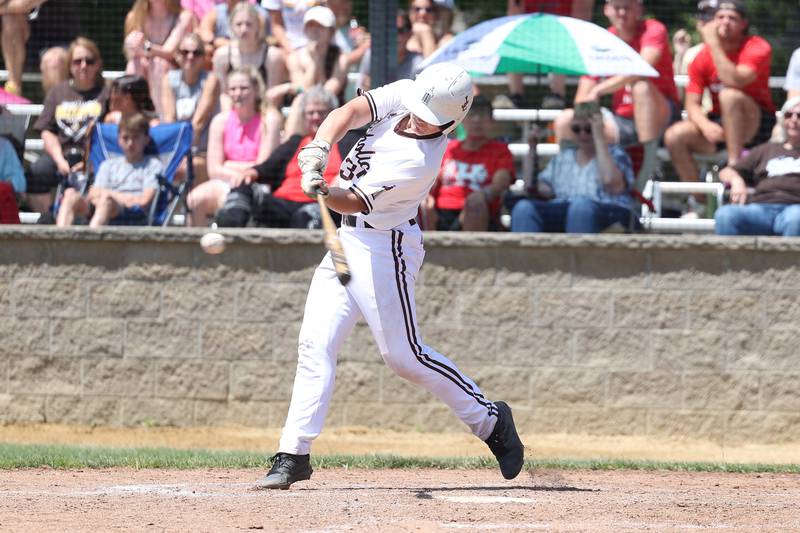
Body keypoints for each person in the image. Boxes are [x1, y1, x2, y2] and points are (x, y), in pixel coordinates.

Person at [255, 62, 524, 490]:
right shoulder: (408, 92)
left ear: (451, 120)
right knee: (315, 344)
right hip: (345, 242)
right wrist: (320, 149)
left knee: (404, 356)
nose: (416, 116)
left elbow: (353, 202)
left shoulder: (419, 162)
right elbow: (349, 112)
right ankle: (294, 453)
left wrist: (322, 190)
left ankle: (490, 419)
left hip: (386, 248)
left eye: (428, 115)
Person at [664, 0, 775, 186]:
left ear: (743, 24)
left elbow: (735, 80)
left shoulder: (757, 46)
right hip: (720, 124)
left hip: (757, 125)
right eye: (720, 17)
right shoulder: (701, 57)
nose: (725, 22)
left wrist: (713, 44)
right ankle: (698, 203)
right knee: (674, 135)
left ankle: (734, 166)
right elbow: (692, 103)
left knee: (729, 95)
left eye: (732, 18)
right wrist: (705, 125)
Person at [216, 86, 355, 227]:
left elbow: (358, 168)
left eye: (321, 112)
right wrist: (251, 172)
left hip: (320, 203)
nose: (315, 117)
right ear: (304, 116)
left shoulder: (347, 142)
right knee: (243, 186)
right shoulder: (295, 142)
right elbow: (268, 167)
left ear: (331, 115)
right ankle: (228, 236)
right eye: (310, 113)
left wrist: (342, 178)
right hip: (282, 204)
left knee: (306, 217)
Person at [554, 0, 679, 159]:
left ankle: (648, 167)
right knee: (565, 120)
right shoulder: (603, 39)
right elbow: (583, 93)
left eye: (627, 7)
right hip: (620, 120)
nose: (621, 13)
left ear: (639, 9)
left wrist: (599, 89)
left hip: (661, 116)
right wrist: (585, 115)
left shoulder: (654, 29)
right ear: (607, 10)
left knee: (640, 87)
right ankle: (571, 174)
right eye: (617, 7)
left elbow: (642, 68)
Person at [511, 103, 634, 233]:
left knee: (580, 208)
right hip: (564, 209)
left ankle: (578, 254)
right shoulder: (563, 157)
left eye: (588, 129)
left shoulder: (616, 154)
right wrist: (532, 150)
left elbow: (611, 182)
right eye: (576, 129)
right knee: (523, 208)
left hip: (610, 212)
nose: (582, 135)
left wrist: (599, 138)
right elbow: (534, 188)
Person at [29, 37, 110, 215]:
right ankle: (47, 222)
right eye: (77, 61)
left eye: (89, 61)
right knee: (36, 172)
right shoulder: (57, 92)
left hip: (95, 158)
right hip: (62, 154)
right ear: (69, 66)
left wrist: (90, 162)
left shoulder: (107, 93)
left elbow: (112, 131)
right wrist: (59, 160)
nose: (83, 66)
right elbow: (46, 131)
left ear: (98, 64)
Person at [187, 67, 271, 226]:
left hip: (256, 183)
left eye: (243, 88)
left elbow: (263, 167)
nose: (238, 93)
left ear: (256, 90)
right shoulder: (220, 121)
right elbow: (213, 170)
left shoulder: (268, 121)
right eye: (233, 89)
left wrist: (228, 164)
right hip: (225, 181)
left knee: (236, 203)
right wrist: (243, 169)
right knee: (194, 199)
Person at [422, 95, 514, 231]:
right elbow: (433, 178)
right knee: (421, 202)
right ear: (462, 120)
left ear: (491, 121)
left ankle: (470, 252)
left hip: (480, 211)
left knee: (474, 204)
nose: (477, 120)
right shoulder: (449, 148)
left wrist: (482, 194)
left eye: (482, 115)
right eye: (471, 115)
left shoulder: (500, 150)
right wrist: (426, 195)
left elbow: (501, 183)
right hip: (442, 211)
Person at [55, 113, 162, 227]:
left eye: (135, 137)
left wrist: (109, 194)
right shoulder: (108, 165)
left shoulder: (153, 165)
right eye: (126, 138)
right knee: (70, 195)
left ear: (146, 139)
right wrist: (110, 197)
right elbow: (93, 195)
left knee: (106, 201)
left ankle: (90, 241)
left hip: (133, 214)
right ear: (119, 139)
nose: (130, 143)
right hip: (100, 207)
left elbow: (144, 201)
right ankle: (58, 241)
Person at [713, 97, 800, 236]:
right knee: (726, 215)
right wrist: (737, 181)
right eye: (789, 115)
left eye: (799, 116)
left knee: (795, 219)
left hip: (795, 207)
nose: (794, 120)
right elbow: (726, 172)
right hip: (761, 208)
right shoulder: (766, 149)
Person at [504, 0, 595, 109]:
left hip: (564, 37)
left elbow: (580, 23)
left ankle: (557, 96)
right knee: (513, 38)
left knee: (558, 39)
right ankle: (516, 96)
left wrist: (553, 33)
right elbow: (514, 20)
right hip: (531, 36)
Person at [123, 0, 196, 119]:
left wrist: (144, 46)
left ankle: (160, 117)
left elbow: (169, 52)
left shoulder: (183, 17)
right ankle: (134, 118)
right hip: (146, 68)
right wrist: (130, 44)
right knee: (134, 64)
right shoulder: (134, 17)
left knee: (158, 63)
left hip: (175, 70)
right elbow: (130, 53)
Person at [162, 32, 216, 184]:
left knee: (185, 169)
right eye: (185, 52)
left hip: (202, 151)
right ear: (177, 55)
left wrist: (183, 156)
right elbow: (169, 120)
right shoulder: (169, 79)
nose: (190, 57)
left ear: (203, 57)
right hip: (177, 147)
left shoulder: (211, 80)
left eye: (196, 53)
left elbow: (198, 123)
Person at [211, 1, 269, 110]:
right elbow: (223, 94)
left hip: (263, 110)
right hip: (232, 111)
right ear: (231, 27)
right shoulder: (222, 56)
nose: (244, 29)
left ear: (258, 26)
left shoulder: (271, 56)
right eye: (239, 24)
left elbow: (272, 94)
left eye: (249, 24)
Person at [358, 10, 422, 92]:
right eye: (389, 30)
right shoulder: (371, 56)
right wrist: (365, 90)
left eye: (400, 30)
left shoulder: (418, 64)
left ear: (410, 33)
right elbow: (358, 95)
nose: (393, 36)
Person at [0, 0, 47, 96]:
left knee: (13, 13)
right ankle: (14, 88)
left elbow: (23, 5)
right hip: (20, 38)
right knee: (10, 20)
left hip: (53, 36)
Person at [197, 0, 266, 56]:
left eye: (248, 24)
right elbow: (205, 35)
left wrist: (219, 42)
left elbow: (259, 41)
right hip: (223, 54)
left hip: (251, 54)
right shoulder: (215, 13)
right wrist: (215, 42)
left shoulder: (257, 15)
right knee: (207, 49)